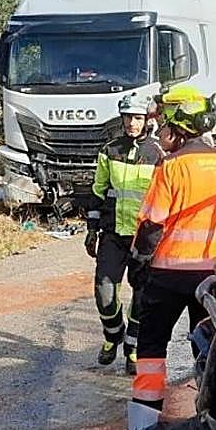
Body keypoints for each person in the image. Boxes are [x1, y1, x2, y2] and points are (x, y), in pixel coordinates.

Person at [128, 84, 216, 430]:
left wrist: (138, 263)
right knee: (209, 347)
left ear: (179, 127)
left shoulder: (171, 168)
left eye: (166, 123)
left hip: (167, 275)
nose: (161, 129)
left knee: (151, 348)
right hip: (212, 277)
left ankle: (142, 427)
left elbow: (152, 225)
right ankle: (214, 419)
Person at [85, 93, 162, 374]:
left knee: (142, 296)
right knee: (104, 292)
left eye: (138, 118)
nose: (132, 123)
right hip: (114, 234)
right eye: (128, 117)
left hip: (144, 238)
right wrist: (92, 229)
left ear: (146, 120)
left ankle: (132, 347)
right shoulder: (109, 150)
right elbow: (98, 190)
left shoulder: (157, 154)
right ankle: (112, 336)